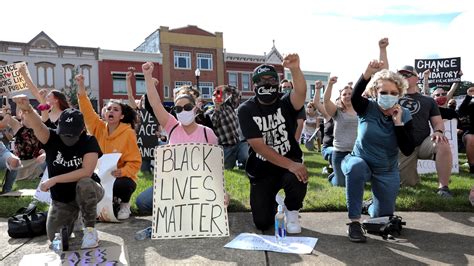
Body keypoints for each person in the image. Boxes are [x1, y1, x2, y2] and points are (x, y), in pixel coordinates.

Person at [13, 95, 104, 249]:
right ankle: (72, 215)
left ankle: (90, 230)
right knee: (54, 237)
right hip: (62, 199)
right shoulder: (51, 137)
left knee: (85, 183)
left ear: (82, 129)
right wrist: (26, 108)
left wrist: (54, 180)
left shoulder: (89, 141)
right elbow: (38, 126)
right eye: (65, 132)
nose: (68, 137)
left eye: (72, 133)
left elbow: (86, 172)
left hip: (88, 191)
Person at [343, 60, 414, 243]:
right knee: (356, 167)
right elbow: (355, 95)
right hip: (360, 161)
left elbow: (408, 149)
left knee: (383, 215)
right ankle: (354, 223)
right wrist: (367, 72)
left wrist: (398, 123)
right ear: (375, 93)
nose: (388, 96)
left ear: (400, 94)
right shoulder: (367, 107)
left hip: (386, 169)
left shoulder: (405, 114)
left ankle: (371, 205)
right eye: (383, 92)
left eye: (393, 93)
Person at [135, 61, 219, 214]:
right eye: (178, 108)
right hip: (172, 183)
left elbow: (215, 168)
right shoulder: (171, 126)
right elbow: (155, 103)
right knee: (142, 202)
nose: (183, 111)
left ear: (195, 108)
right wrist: (147, 76)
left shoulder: (208, 133)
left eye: (187, 107)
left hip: (198, 184)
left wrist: (220, 192)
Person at [237, 54, 308, 233]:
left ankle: (292, 211)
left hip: (288, 161)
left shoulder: (285, 101)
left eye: (270, 79)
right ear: (254, 85)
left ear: (277, 82)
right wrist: (290, 164)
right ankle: (274, 198)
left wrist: (295, 69)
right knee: (262, 223)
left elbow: (300, 93)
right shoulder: (246, 110)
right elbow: (258, 146)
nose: (266, 83)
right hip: (262, 169)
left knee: (297, 174)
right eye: (260, 80)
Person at [76, 74, 141, 220]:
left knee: (124, 184)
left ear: (122, 116)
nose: (111, 111)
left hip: (119, 176)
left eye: (116, 109)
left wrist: (122, 171)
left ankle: (124, 203)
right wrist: (81, 86)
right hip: (99, 175)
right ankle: (101, 204)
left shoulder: (128, 133)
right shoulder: (97, 127)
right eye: (108, 109)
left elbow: (135, 162)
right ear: (104, 113)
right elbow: (87, 111)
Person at [398, 65, 453, 197]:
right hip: (402, 146)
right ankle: (413, 177)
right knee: (408, 185)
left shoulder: (428, 100)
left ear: (416, 78)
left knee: (442, 143)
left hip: (423, 143)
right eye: (401, 75)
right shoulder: (392, 96)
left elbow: (438, 122)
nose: (403, 77)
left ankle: (443, 188)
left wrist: (439, 131)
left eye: (407, 75)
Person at [323, 76, 358, 187]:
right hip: (340, 153)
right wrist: (330, 85)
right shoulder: (337, 112)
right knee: (341, 184)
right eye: (344, 94)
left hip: (357, 153)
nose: (347, 96)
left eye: (350, 93)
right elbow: (326, 101)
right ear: (341, 97)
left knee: (355, 182)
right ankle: (333, 176)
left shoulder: (361, 110)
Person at [206, 85, 249, 170]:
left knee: (247, 158)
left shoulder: (229, 105)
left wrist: (226, 87)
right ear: (212, 98)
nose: (217, 97)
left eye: (219, 94)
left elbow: (236, 93)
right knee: (226, 168)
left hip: (239, 142)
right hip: (226, 147)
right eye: (214, 95)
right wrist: (217, 108)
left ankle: (243, 164)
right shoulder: (209, 112)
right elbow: (214, 123)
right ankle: (238, 163)